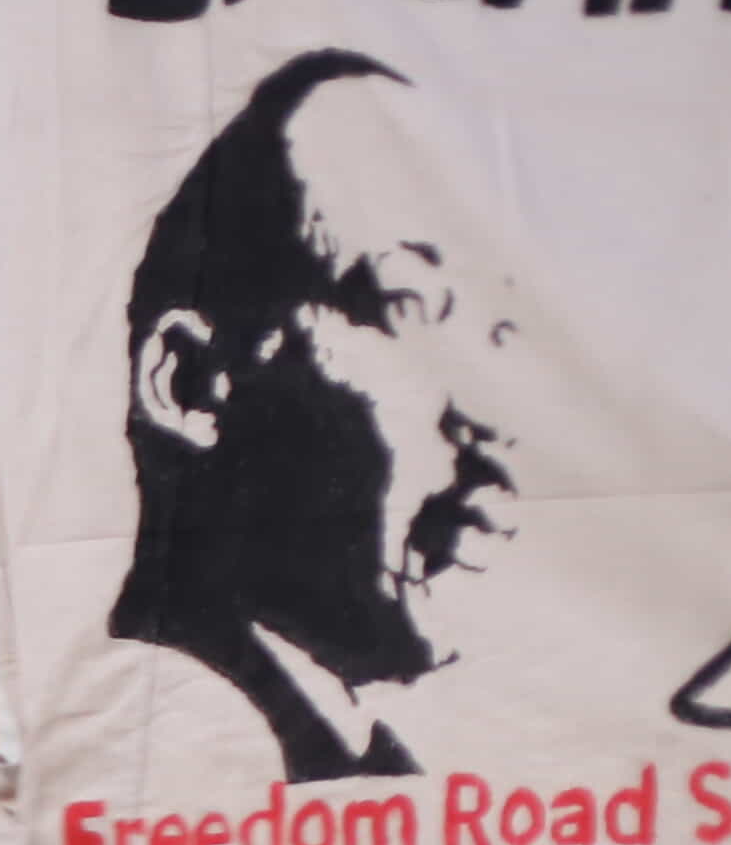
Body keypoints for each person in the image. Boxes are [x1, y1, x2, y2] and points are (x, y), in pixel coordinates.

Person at [110, 49, 519, 781]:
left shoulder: (358, 760)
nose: (494, 417)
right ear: (191, 382)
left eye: (503, 337)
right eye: (409, 307)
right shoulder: (150, 759)